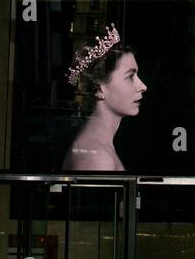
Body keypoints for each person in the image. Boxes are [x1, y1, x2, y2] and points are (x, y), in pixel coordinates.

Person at [62, 24, 147, 171]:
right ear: (100, 88)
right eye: (130, 76)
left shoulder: (97, 146)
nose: (143, 86)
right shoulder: (97, 157)